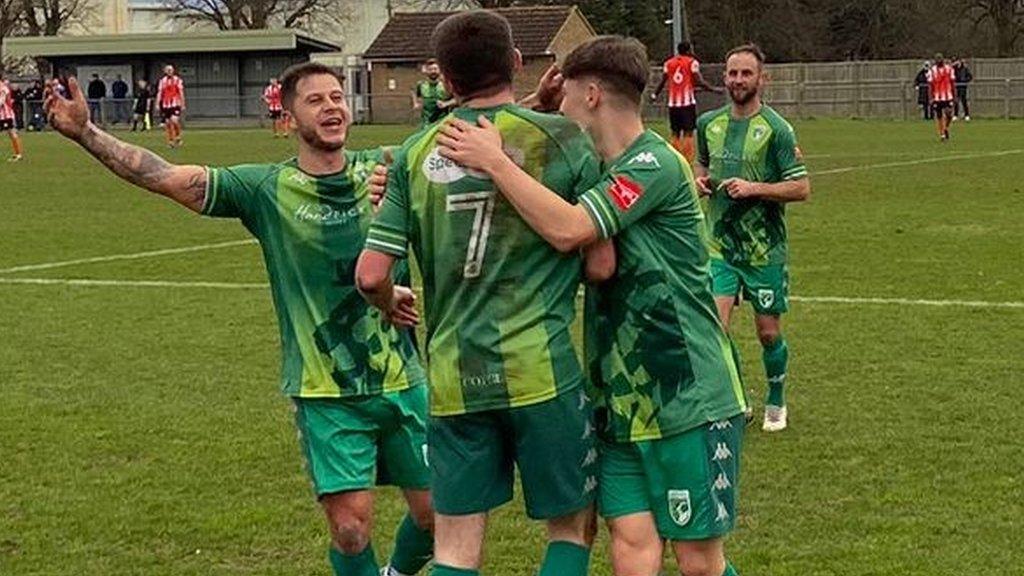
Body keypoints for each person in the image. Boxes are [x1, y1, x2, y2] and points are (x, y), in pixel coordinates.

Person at [43, 62, 436, 576]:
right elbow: (167, 178)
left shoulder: (389, 166)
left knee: (436, 517)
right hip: (324, 388)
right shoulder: (266, 189)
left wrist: (537, 110)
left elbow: (464, 152)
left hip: (403, 377)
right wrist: (87, 133)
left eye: (337, 97)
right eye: (315, 100)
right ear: (288, 115)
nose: (332, 106)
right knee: (350, 528)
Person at [436, 34, 748, 576]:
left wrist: (496, 162)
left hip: (687, 393)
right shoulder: (593, 167)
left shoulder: (653, 163)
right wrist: (530, 106)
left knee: (699, 562)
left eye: (567, 91)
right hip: (619, 397)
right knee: (629, 546)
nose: (560, 103)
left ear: (593, 94)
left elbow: (570, 228)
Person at [357, 10, 611, 576]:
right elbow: (600, 261)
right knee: (572, 527)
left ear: (443, 80)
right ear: (518, 63)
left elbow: (372, 274)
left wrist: (386, 300)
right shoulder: (562, 138)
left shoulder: (414, 155)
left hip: (453, 377)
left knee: (454, 547)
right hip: (540, 370)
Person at [692, 44, 810, 432]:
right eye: (732, 73)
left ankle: (776, 399)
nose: (737, 80)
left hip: (764, 250)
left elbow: (801, 188)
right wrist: (700, 182)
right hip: (720, 246)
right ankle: (736, 400)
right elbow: (702, 165)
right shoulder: (708, 123)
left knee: (768, 332)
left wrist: (755, 188)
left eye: (746, 73)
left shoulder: (778, 130)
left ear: (762, 78)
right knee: (715, 329)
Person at [650, 41, 721, 162]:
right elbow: (699, 81)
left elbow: (663, 81)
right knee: (688, 132)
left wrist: (654, 94)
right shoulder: (692, 62)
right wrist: (713, 89)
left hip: (673, 103)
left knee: (675, 132)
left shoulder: (668, 63)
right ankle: (687, 160)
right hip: (687, 103)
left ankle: (675, 158)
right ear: (688, 50)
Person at [411, 59, 454, 126]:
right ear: (426, 71)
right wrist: (415, 103)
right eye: (430, 69)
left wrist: (446, 104)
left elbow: (457, 99)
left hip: (442, 122)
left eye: (435, 69)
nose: (433, 71)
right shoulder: (421, 85)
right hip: (426, 123)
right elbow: (414, 92)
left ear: (440, 70)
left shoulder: (446, 85)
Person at [928, 54, 955, 141]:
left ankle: (946, 128)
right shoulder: (932, 70)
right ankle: (942, 134)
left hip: (948, 96)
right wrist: (931, 98)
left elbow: (952, 82)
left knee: (949, 114)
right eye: (937, 59)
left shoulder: (949, 69)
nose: (939, 61)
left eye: (940, 59)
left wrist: (955, 95)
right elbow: (930, 85)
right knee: (939, 116)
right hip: (937, 97)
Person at [157, 65, 185, 147]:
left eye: (171, 70)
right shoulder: (162, 81)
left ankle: (178, 136)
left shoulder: (177, 80)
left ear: (173, 71)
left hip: (175, 103)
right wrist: (158, 103)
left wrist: (183, 103)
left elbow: (180, 92)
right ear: (165, 71)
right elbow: (160, 93)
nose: (169, 71)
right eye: (167, 70)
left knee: (174, 120)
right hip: (166, 104)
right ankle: (170, 141)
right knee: (168, 123)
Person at [0, 76, 24, 161]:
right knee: (12, 133)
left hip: (6, 115)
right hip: (2, 115)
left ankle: (18, 154)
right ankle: (18, 154)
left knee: (12, 133)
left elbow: (1, 101)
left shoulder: (2, 88)